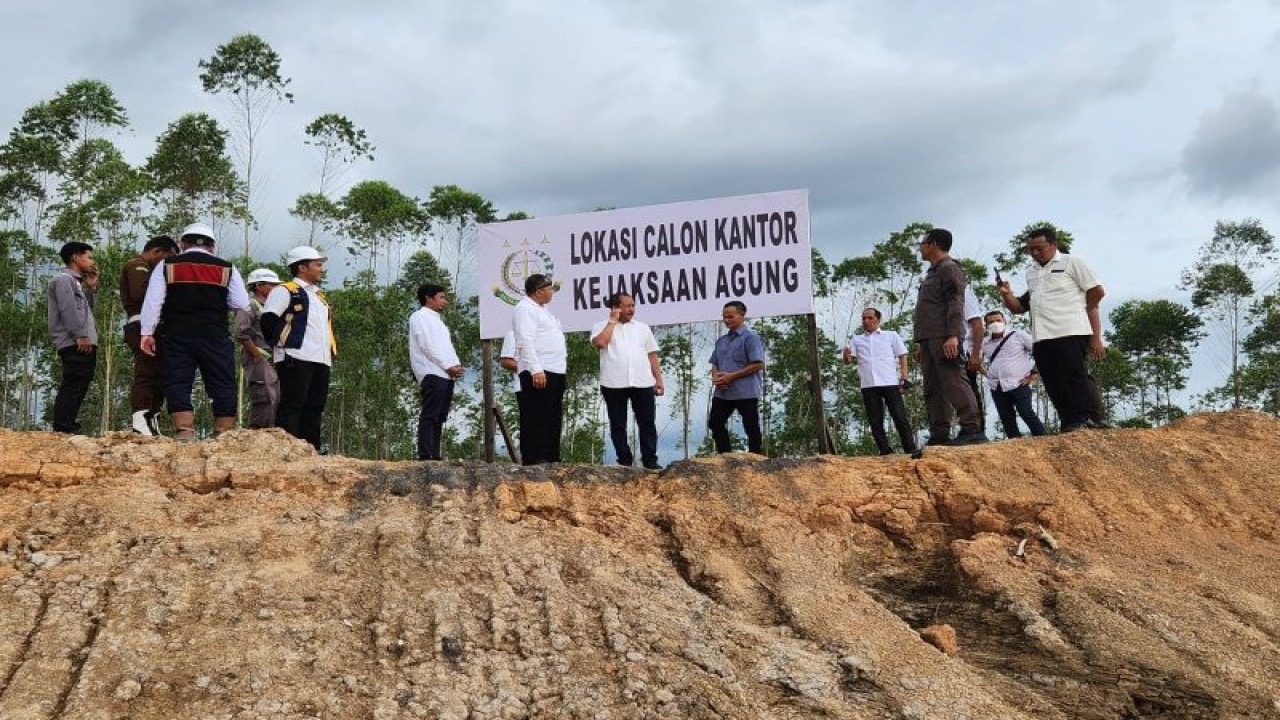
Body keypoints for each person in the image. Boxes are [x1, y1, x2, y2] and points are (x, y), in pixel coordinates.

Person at [139, 223, 250, 441]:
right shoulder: (227, 268)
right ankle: (223, 433)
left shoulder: (167, 265)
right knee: (222, 381)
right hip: (214, 334)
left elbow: (154, 301)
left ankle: (185, 432)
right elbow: (241, 303)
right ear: (212, 246)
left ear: (183, 243)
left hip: (176, 334)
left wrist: (147, 332)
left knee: (178, 381)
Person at [997, 227, 1106, 433]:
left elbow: (1097, 291)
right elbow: (1019, 307)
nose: (1035, 253)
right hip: (1041, 336)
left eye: (1039, 248)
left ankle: (1085, 418)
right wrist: (1006, 294)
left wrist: (1081, 312)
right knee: (1052, 380)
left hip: (1070, 330)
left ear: (1053, 245)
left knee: (1074, 376)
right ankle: (1069, 421)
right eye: (1031, 249)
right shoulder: (1032, 272)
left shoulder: (1072, 262)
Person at [912, 228, 987, 446]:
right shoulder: (932, 272)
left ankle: (972, 428)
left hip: (944, 337)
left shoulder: (949, 268)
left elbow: (956, 303)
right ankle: (939, 433)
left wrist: (953, 335)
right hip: (929, 338)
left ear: (934, 244)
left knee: (954, 381)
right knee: (933, 388)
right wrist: (922, 343)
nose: (920, 247)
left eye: (923, 243)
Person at [261, 246, 336, 452]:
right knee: (293, 403)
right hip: (295, 355)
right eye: (317, 265)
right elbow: (268, 320)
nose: (321, 269)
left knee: (315, 406)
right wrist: (280, 348)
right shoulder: (285, 290)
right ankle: (288, 450)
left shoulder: (319, 297)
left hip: (320, 358)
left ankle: (311, 450)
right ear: (302, 267)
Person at [590, 292, 665, 469]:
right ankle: (624, 460)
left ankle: (650, 460)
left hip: (642, 381)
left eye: (633, 305)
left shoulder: (642, 328)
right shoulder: (599, 326)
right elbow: (600, 343)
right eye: (627, 306)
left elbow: (652, 354)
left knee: (647, 422)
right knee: (618, 424)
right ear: (615, 308)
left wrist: (658, 379)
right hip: (613, 382)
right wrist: (612, 322)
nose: (631, 309)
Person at [119, 235, 177, 435]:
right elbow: (141, 294)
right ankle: (140, 418)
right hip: (141, 324)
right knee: (146, 372)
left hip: (154, 325)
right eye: (167, 258)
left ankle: (152, 417)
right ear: (156, 252)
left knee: (159, 374)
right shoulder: (137, 265)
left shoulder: (149, 268)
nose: (167, 264)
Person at [844, 307, 916, 455]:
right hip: (869, 385)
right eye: (864, 318)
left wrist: (904, 375)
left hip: (889, 382)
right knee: (875, 421)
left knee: (899, 417)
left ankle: (910, 449)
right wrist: (846, 355)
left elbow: (902, 354)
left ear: (878, 320)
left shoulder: (891, 335)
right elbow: (848, 360)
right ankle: (885, 451)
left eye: (870, 318)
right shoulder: (856, 339)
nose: (866, 321)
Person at [513, 273, 567, 465]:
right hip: (539, 369)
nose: (552, 292)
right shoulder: (525, 309)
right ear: (538, 291)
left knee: (552, 415)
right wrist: (535, 369)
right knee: (536, 415)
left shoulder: (544, 311)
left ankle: (551, 456)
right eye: (549, 288)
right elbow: (525, 340)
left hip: (555, 369)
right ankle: (534, 458)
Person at [47, 241, 99, 434]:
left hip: (82, 340)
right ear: (75, 257)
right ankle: (63, 426)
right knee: (74, 381)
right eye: (89, 257)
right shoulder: (64, 280)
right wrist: (80, 335)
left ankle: (67, 424)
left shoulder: (77, 283)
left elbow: (86, 313)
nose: (92, 261)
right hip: (74, 341)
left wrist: (91, 288)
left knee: (81, 381)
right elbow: (67, 309)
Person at [409, 283, 464, 461]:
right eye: (441, 297)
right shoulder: (419, 317)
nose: (444, 301)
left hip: (445, 373)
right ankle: (426, 454)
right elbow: (427, 345)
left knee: (440, 416)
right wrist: (448, 365)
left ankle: (435, 453)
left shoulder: (438, 321)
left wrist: (454, 364)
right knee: (430, 414)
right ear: (428, 298)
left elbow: (445, 346)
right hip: (432, 371)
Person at [708, 300, 766, 455]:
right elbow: (714, 363)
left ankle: (756, 456)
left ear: (742, 315)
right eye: (724, 317)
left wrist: (731, 377)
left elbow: (758, 364)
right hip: (723, 392)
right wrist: (717, 379)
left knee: (751, 426)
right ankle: (725, 455)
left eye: (730, 317)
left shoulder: (751, 338)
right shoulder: (721, 341)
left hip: (745, 391)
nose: (726, 320)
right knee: (715, 423)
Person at [981, 310, 1046, 438]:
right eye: (991, 322)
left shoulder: (1019, 335)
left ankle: (1043, 440)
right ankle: (1015, 444)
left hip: (1019, 383)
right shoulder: (984, 342)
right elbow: (976, 361)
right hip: (996, 386)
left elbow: (1041, 352)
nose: (995, 323)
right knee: (1006, 418)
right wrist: (988, 375)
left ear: (1004, 321)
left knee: (1026, 413)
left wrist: (1033, 374)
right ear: (986, 325)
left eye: (998, 320)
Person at [235, 268, 282, 428]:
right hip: (258, 356)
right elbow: (241, 333)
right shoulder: (249, 306)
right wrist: (257, 355)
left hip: (276, 356)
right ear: (258, 286)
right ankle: (259, 431)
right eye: (272, 285)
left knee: (278, 396)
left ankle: (274, 431)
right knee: (265, 395)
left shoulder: (274, 307)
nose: (276, 288)